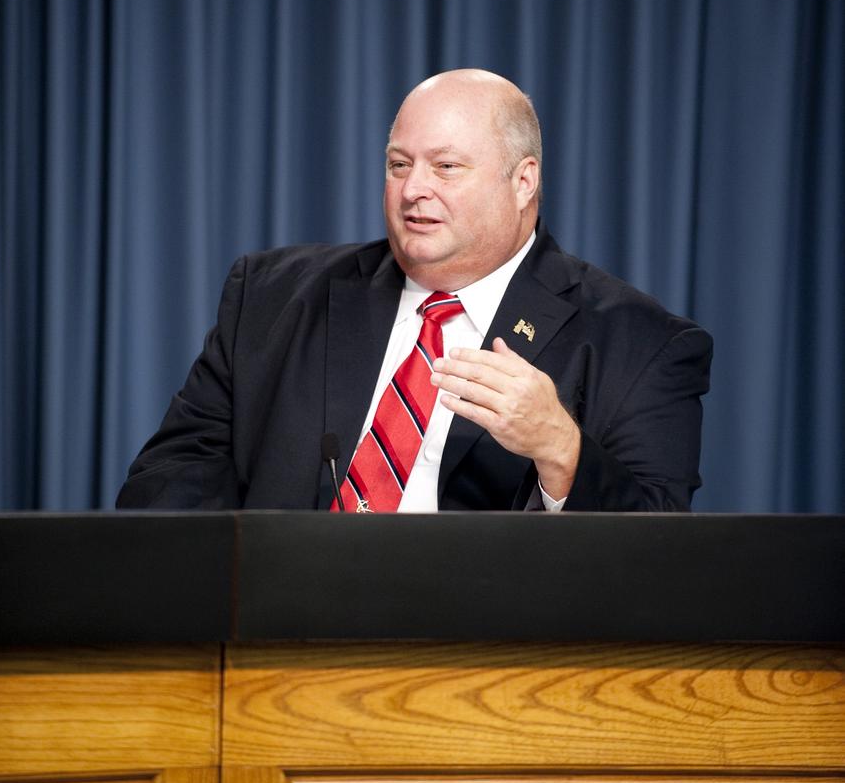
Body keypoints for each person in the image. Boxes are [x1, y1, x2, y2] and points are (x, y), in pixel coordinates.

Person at [116, 69, 712, 512]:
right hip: (279, 645)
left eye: (446, 168)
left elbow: (663, 558)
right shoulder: (270, 298)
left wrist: (562, 450)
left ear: (523, 181)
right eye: (399, 165)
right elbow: (169, 479)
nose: (412, 191)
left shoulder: (642, 343)